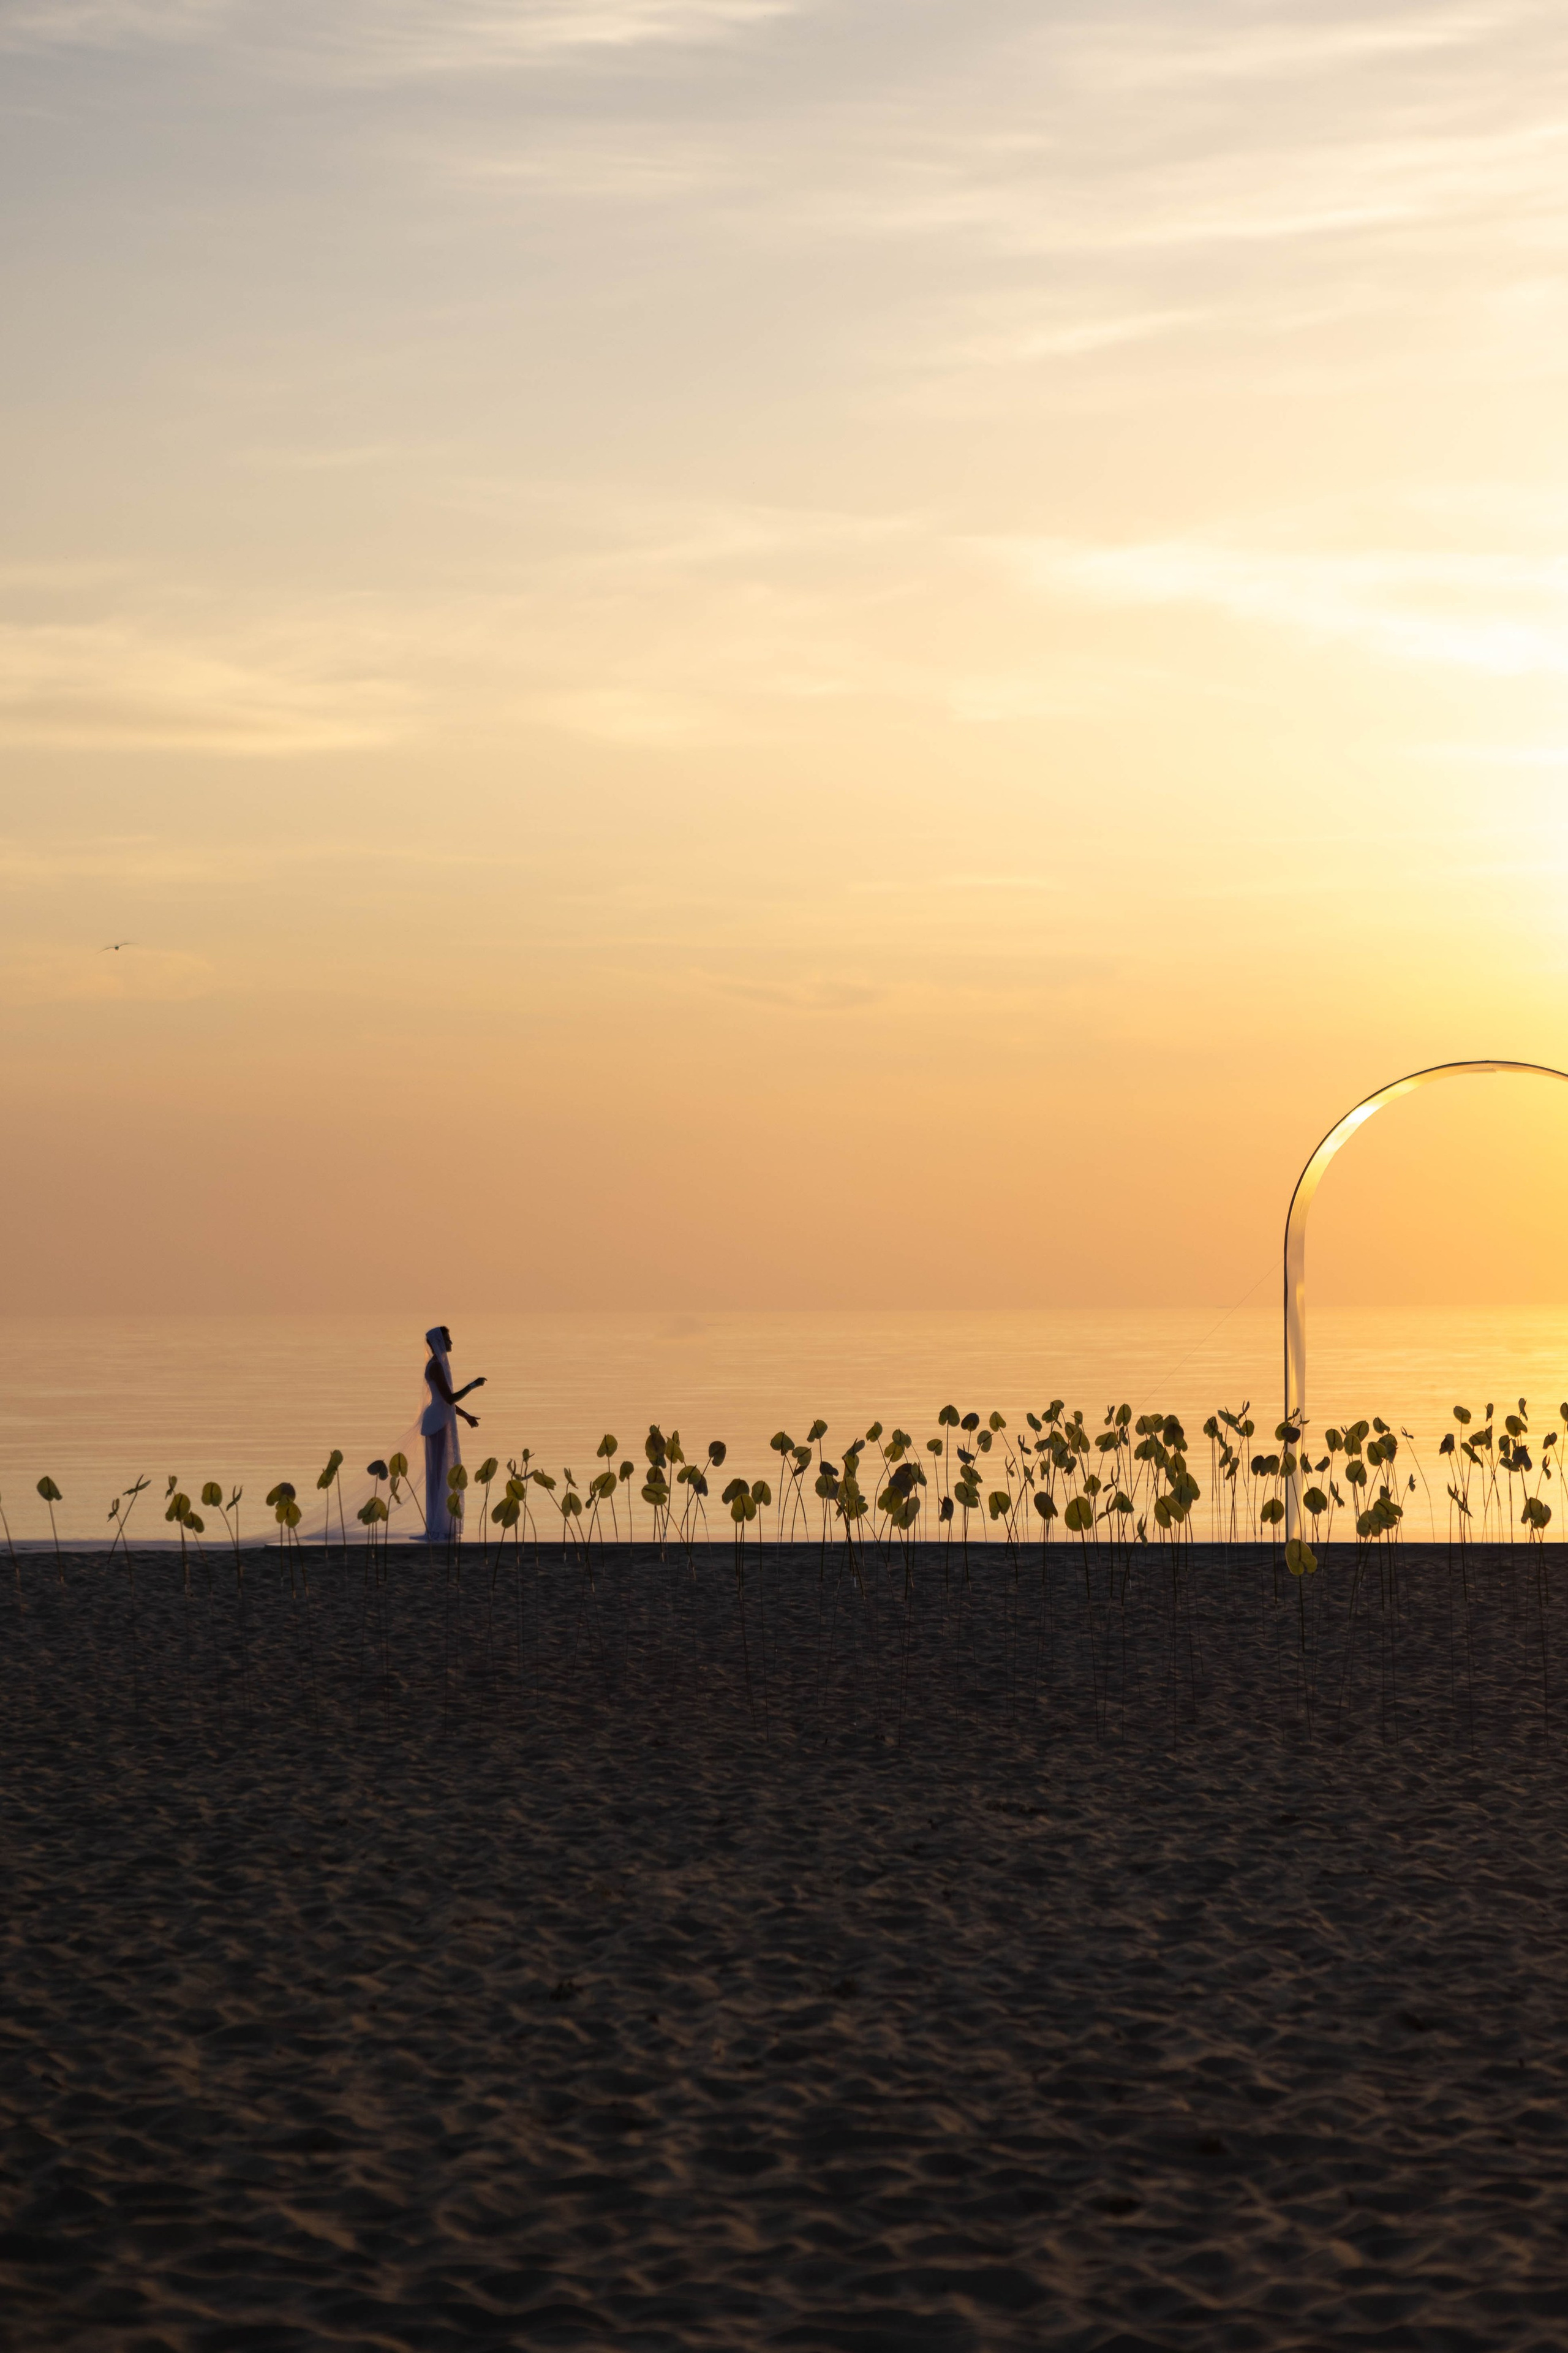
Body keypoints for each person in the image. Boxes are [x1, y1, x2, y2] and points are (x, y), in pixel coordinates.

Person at [420, 1325, 486, 1543]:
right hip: (436, 1424)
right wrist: (473, 1385)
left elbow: (446, 1403)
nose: (451, 1343)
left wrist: (466, 1416)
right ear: (440, 1341)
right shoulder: (436, 1366)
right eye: (448, 1339)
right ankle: (437, 1525)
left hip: (441, 1419)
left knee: (442, 1473)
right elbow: (448, 1399)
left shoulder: (439, 1365)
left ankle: (441, 1523)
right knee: (439, 1473)